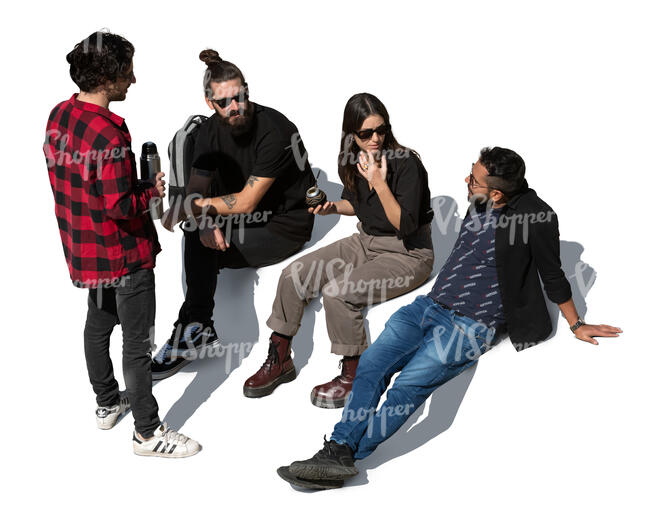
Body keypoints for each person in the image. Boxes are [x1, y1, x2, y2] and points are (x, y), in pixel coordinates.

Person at [278, 146, 622, 488]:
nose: (466, 180)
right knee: (371, 365)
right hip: (429, 306)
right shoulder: (480, 201)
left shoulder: (536, 217)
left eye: (474, 178)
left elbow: (552, 273)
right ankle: (337, 450)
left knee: (408, 387)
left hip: (470, 326)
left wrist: (577, 324)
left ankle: (344, 457)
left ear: (498, 192)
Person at [44, 31, 200, 457]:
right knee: (138, 344)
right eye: (128, 71)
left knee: (97, 326)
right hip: (124, 254)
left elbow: (85, 184)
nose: (133, 79)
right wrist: (151, 191)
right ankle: (147, 433)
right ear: (109, 76)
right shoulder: (110, 134)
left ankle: (108, 402)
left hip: (86, 249)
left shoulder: (60, 115)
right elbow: (119, 205)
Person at [244, 93, 434, 407]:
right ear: (351, 134)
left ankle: (353, 376)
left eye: (381, 130)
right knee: (294, 274)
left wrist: (379, 182)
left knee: (339, 293)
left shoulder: (405, 163)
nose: (375, 139)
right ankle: (280, 360)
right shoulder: (351, 158)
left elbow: (405, 225)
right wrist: (333, 208)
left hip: (408, 252)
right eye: (366, 133)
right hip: (366, 240)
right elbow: (357, 204)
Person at [152, 49, 316, 379]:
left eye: (240, 97)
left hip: (284, 223)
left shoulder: (276, 130)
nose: (235, 107)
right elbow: (199, 188)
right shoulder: (208, 132)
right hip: (240, 217)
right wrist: (204, 218)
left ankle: (194, 330)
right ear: (209, 103)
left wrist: (192, 208)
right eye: (225, 102)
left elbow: (246, 202)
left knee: (198, 241)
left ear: (247, 91)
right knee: (196, 232)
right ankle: (195, 329)